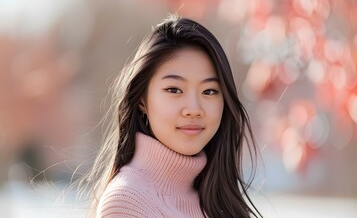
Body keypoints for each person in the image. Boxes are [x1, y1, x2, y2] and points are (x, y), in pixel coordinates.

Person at [83, 15, 262, 218]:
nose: (194, 109)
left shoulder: (218, 200)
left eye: (210, 91)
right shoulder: (127, 203)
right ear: (142, 99)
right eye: (174, 90)